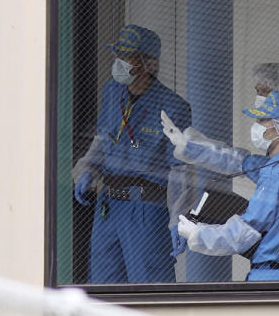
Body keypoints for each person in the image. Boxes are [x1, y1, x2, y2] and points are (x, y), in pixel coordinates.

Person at [164, 62, 279, 279]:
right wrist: (188, 146)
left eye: (265, 92)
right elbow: (241, 162)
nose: (257, 124)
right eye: (257, 92)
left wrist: (200, 235)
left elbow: (249, 227)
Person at [72, 24, 192, 283]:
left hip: (146, 210)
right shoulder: (112, 91)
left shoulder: (172, 107)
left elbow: (180, 171)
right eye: (118, 55)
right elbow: (102, 140)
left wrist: (177, 218)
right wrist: (86, 170)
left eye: (127, 57)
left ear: (148, 63)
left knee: (149, 290)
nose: (119, 63)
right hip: (109, 207)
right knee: (104, 289)